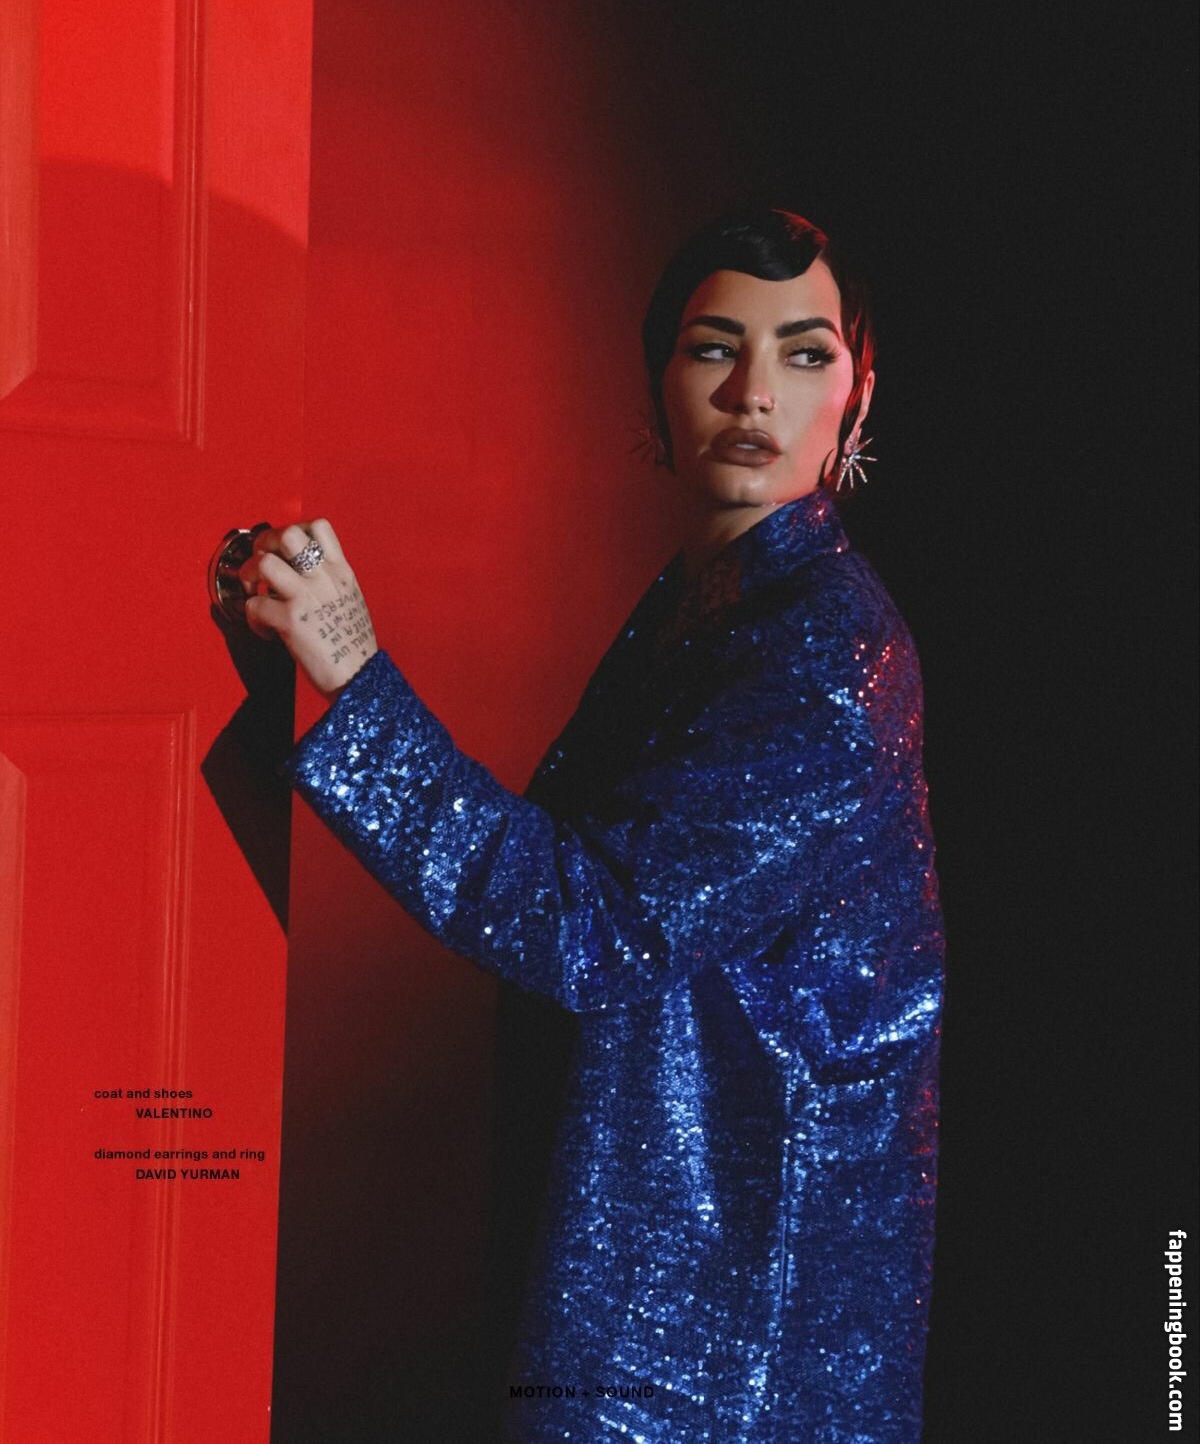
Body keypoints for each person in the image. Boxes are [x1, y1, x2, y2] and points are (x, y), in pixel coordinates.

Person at [239, 206, 944, 1442]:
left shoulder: (826, 648)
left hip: (732, 1330)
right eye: (715, 347)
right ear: (655, 382)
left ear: (861, 394)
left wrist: (354, 669)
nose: (754, 393)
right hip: (659, 1263)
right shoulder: (713, 598)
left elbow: (591, 924)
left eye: (805, 353)